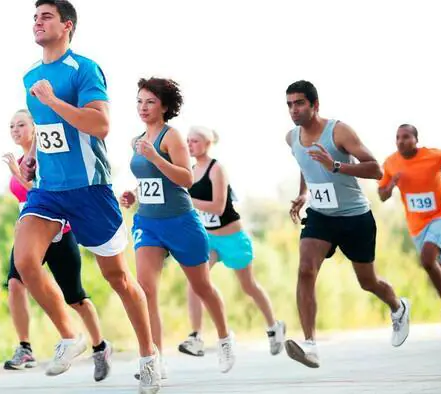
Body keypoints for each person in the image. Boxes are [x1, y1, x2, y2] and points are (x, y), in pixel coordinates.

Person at [16, 1, 160, 392]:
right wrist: (31, 157)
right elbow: (48, 132)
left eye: (45, 16)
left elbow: (100, 124)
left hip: (90, 190)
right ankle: (69, 335)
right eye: (34, 17)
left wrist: (52, 101)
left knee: (118, 278)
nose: (36, 22)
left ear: (67, 25)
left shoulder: (84, 69)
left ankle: (149, 357)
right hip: (48, 191)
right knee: (25, 260)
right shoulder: (30, 75)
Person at [284, 80, 410, 368]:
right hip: (321, 216)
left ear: (315, 105)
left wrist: (336, 166)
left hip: (355, 217)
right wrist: (304, 193)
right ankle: (310, 345)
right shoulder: (291, 138)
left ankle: (398, 306)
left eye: (299, 103)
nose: (294, 109)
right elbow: (306, 164)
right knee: (305, 269)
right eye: (289, 104)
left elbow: (377, 169)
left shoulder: (338, 131)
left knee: (368, 282)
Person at [121, 78, 235, 379]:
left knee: (202, 287)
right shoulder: (136, 140)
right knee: (145, 291)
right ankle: (154, 359)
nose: (142, 108)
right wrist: (134, 193)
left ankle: (224, 339)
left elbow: (186, 179)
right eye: (139, 101)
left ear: (165, 107)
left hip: (181, 222)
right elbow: (151, 180)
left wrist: (155, 156)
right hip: (148, 222)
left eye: (150, 102)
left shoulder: (172, 137)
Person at [2, 109, 112, 381]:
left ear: (35, 128)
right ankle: (25, 347)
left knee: (75, 296)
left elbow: (40, 193)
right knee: (15, 283)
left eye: (21, 124)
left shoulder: (45, 158)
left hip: (58, 230)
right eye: (11, 126)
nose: (15, 130)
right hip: (29, 234)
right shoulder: (21, 161)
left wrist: (17, 174)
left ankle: (99, 346)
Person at [181, 125, 286, 357]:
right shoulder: (189, 170)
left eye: (195, 141)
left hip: (232, 237)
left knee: (248, 286)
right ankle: (196, 336)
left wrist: (188, 200)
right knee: (195, 283)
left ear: (208, 143)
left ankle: (273, 326)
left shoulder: (217, 168)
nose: (190, 145)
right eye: (188, 140)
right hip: (209, 239)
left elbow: (218, 207)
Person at [378, 124, 441, 349]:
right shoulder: (391, 163)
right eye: (397, 138)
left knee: (427, 259)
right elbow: (382, 195)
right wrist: (390, 186)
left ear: (416, 139)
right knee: (437, 266)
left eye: (406, 137)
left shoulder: (433, 156)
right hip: (417, 226)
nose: (401, 141)